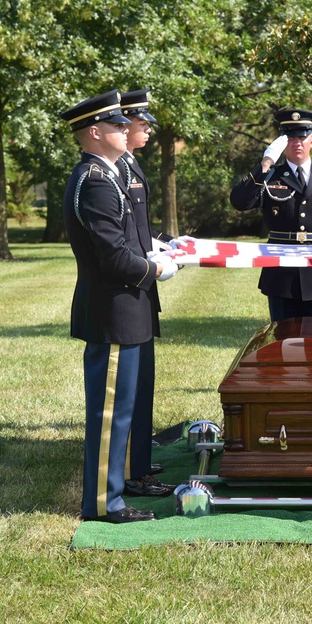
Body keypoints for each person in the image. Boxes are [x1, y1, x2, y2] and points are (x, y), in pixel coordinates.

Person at [60, 89, 179, 524]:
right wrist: (154, 270)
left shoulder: (107, 174)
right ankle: (102, 503)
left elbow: (126, 240)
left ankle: (118, 486)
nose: (125, 130)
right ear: (95, 132)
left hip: (126, 305)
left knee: (126, 404)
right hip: (113, 308)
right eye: (116, 125)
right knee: (111, 410)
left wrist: (153, 256)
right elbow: (111, 255)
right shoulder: (94, 180)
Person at [230, 108, 312, 321]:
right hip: (281, 276)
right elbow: (239, 202)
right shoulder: (270, 176)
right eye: (290, 137)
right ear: (281, 143)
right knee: (283, 346)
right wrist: (265, 164)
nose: (297, 142)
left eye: (302, 136)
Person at [116, 88, 181, 498]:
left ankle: (138, 459)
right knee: (131, 389)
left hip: (140, 288)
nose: (146, 131)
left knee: (143, 385)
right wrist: (154, 257)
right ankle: (130, 466)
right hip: (129, 286)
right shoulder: (116, 169)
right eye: (141, 125)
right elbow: (122, 238)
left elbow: (139, 230)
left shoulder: (130, 165)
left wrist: (167, 240)